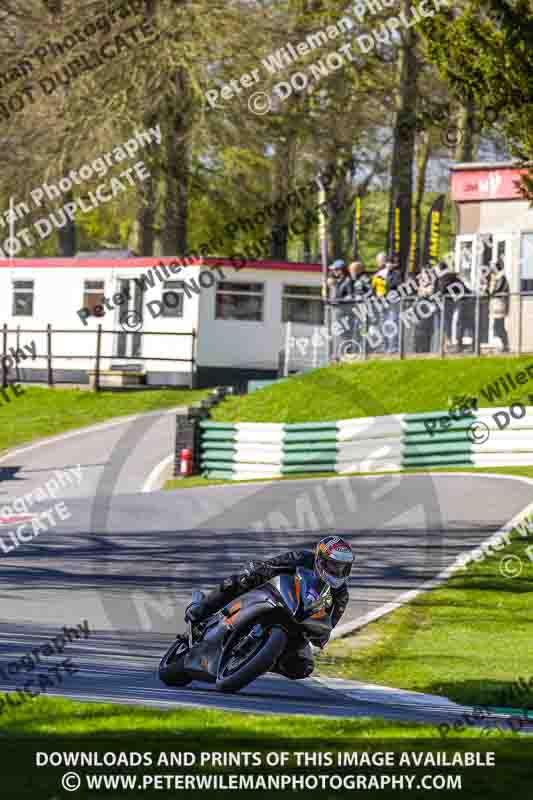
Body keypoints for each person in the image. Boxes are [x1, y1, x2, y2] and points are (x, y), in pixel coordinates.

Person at [185, 535, 354, 680]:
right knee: (239, 581)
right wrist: (257, 571)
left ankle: (258, 659)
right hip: (278, 597)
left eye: (342, 567)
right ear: (320, 559)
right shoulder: (302, 558)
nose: (337, 571)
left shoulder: (341, 595)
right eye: (333, 565)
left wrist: (320, 634)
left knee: (303, 667)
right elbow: (272, 565)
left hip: (299, 622)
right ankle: (201, 609)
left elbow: (329, 625)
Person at [347, 261, 372, 353]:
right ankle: (355, 348)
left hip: (363, 308)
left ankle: (365, 348)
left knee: (363, 327)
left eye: (352, 270)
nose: (350, 272)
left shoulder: (364, 278)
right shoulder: (353, 280)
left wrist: (363, 297)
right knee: (355, 328)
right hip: (355, 308)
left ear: (357, 270)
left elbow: (370, 291)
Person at [489, 259, 510, 352]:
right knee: (497, 326)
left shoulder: (501, 278)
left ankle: (505, 345)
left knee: (499, 326)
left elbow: (497, 290)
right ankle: (504, 345)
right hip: (496, 304)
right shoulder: (497, 278)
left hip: (500, 305)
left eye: (493, 268)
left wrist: (491, 290)